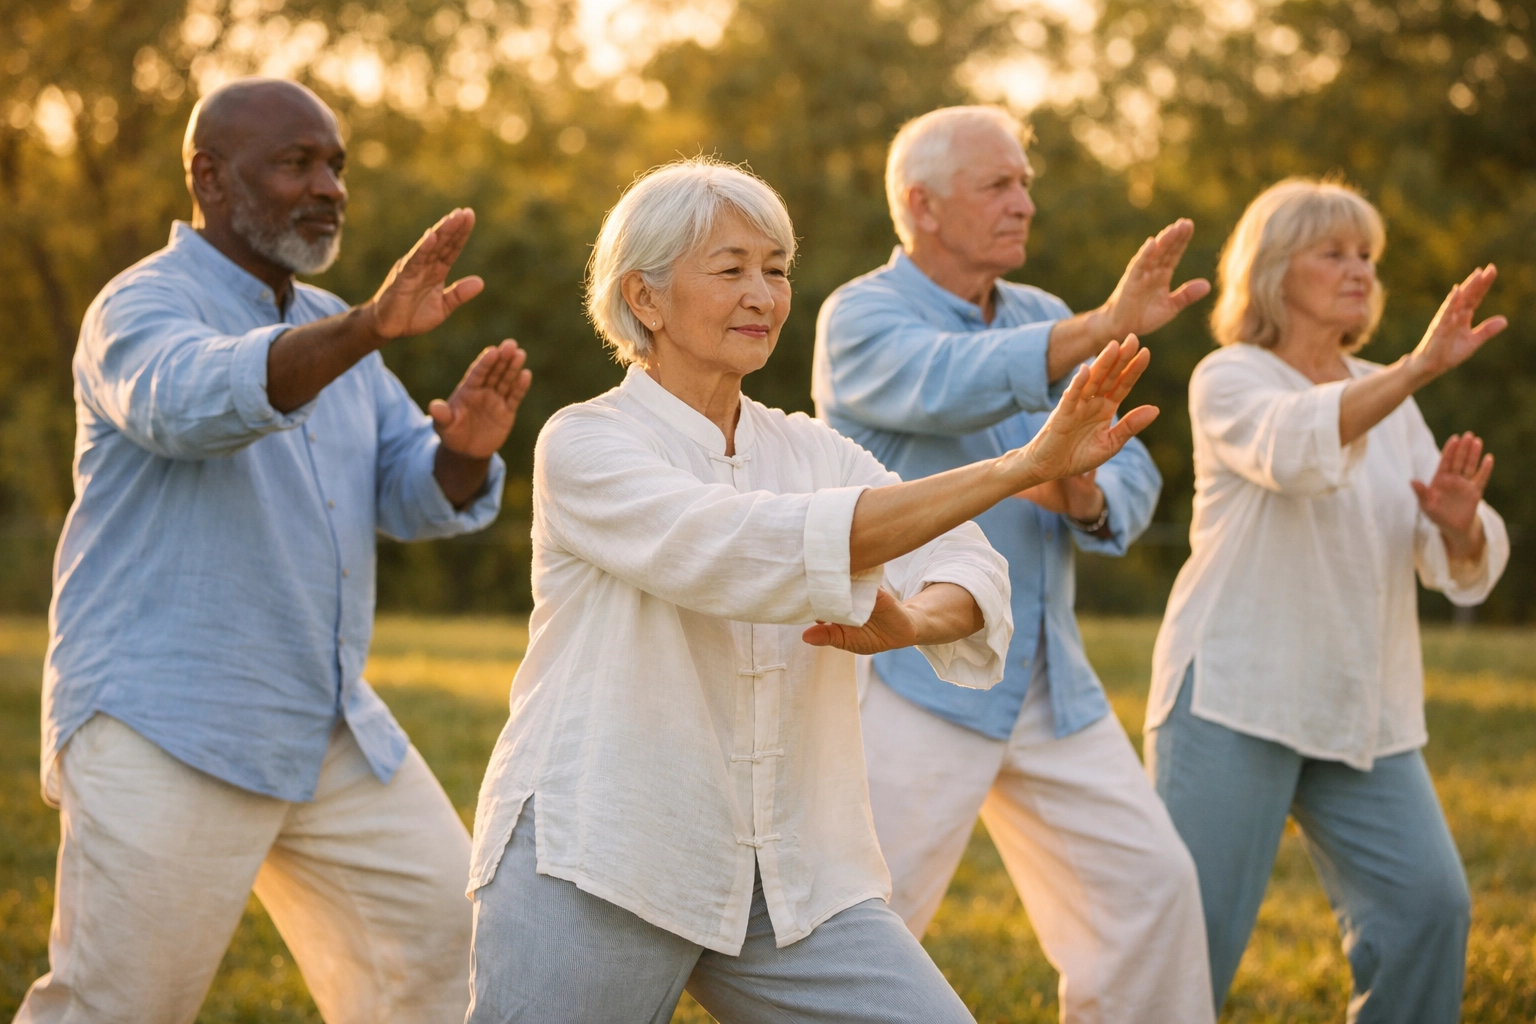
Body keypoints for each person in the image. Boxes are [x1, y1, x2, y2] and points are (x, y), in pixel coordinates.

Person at [462, 156, 1160, 1023]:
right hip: (601, 854)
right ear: (643, 298)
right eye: (731, 269)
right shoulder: (586, 446)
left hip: (791, 876)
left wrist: (910, 622)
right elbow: (744, 551)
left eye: (777, 270)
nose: (763, 294)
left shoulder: (811, 448)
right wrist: (1023, 467)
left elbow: (970, 564)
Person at [17, 78, 532, 1024]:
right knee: (120, 1006)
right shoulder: (139, 308)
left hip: (324, 720)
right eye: (297, 162)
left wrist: (462, 453)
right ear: (210, 178)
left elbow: (404, 494)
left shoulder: (333, 324)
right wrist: (367, 327)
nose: (329, 185)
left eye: (335, 164)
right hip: (166, 720)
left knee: (451, 952)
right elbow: (190, 405)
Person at [813, 105, 1214, 1023]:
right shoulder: (860, 317)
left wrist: (1075, 490)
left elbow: (1135, 466)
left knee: (1150, 895)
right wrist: (1103, 326)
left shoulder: (1043, 315)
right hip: (909, 671)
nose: (1024, 202)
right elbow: (952, 375)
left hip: (1046, 681)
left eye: (1025, 183)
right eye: (999, 184)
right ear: (921, 205)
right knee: (860, 928)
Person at [1144, 178, 1509, 1022]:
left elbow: (1447, 556)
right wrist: (1420, 367)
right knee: (1191, 940)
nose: (1359, 271)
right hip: (1233, 697)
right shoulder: (1228, 378)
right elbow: (1296, 448)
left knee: (1430, 909)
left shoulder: (1387, 392)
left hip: (1361, 709)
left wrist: (1457, 526)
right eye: (1334, 252)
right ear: (1274, 272)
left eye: (1368, 257)